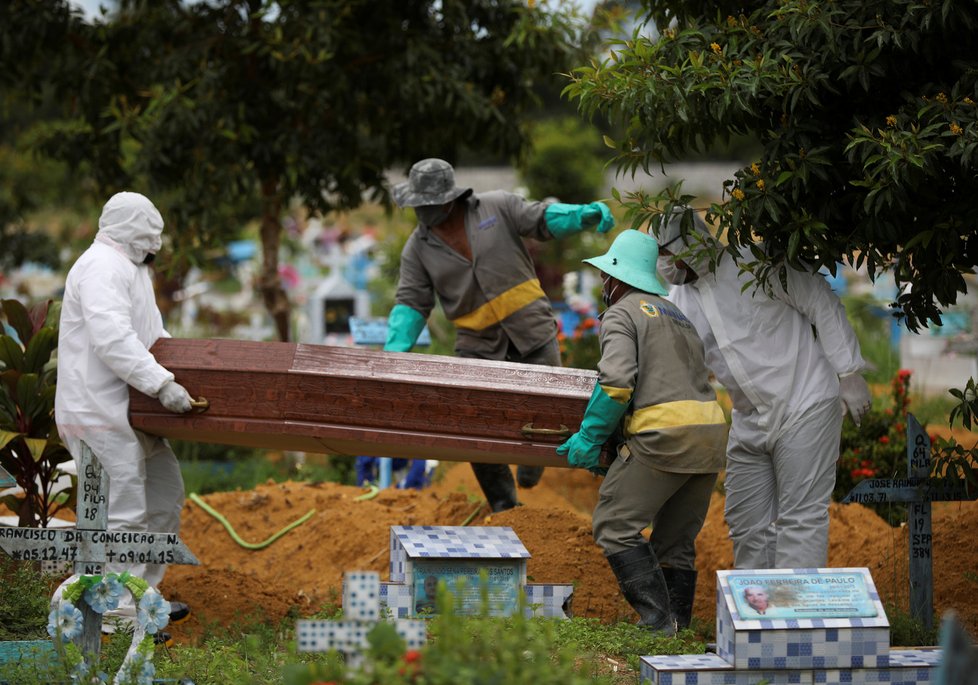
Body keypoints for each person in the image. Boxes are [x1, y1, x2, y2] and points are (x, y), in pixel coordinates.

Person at [384, 158, 615, 512]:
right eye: (419, 205)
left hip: (531, 330)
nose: (424, 211)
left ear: (450, 198)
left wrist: (582, 215)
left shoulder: (497, 207)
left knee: (551, 408)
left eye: (430, 204)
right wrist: (394, 352)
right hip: (476, 344)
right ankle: (505, 506)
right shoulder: (417, 249)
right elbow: (411, 303)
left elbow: (541, 219)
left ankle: (532, 464)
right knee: (473, 427)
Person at [653, 210, 873, 570]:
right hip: (749, 420)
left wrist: (849, 371)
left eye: (667, 253)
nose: (665, 264)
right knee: (746, 525)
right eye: (659, 256)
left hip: (804, 403)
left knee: (801, 520)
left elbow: (818, 299)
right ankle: (757, 615)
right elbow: (681, 362)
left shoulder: (755, 263)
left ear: (692, 245)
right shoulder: (681, 298)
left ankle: (793, 622)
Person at [557, 229, 728, 633]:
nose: (603, 284)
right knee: (675, 543)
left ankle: (656, 623)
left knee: (614, 526)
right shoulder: (677, 316)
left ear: (617, 277)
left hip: (663, 438)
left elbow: (616, 384)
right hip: (709, 441)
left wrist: (590, 437)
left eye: (605, 277)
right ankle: (676, 630)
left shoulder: (621, 313)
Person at [55, 192, 194, 641]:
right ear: (137, 230)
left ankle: (142, 596)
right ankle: (117, 612)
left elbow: (151, 336)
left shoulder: (131, 269)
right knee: (124, 512)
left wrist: (183, 373)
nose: (155, 244)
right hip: (97, 410)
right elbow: (112, 337)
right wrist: (161, 384)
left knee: (164, 493)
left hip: (132, 409)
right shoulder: (100, 267)